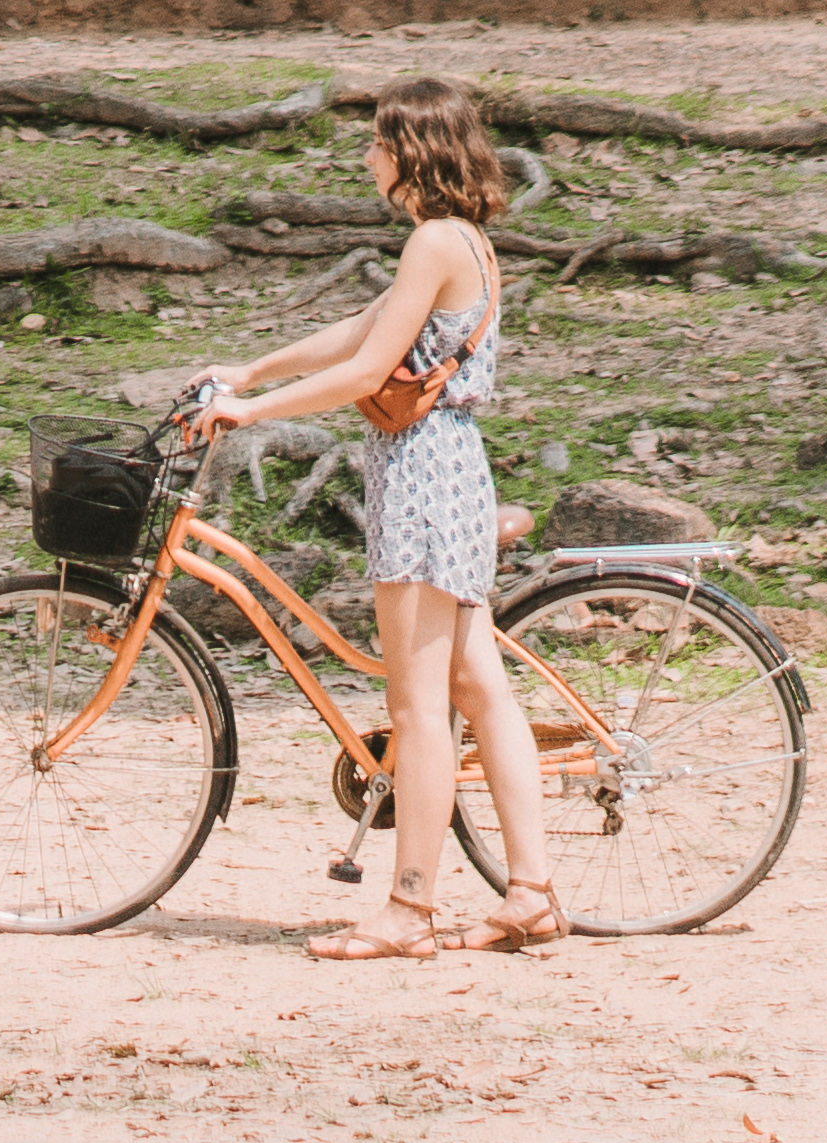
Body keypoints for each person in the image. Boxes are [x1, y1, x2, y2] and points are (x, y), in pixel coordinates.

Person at [187, 80, 563, 957]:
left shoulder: (435, 240)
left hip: (426, 475)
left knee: (418, 704)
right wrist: (252, 369)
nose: (367, 157)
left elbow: (366, 375)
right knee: (479, 689)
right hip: (447, 468)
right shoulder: (458, 240)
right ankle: (532, 893)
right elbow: (362, 331)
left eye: (377, 142)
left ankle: (410, 911)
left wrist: (253, 412)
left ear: (411, 152)